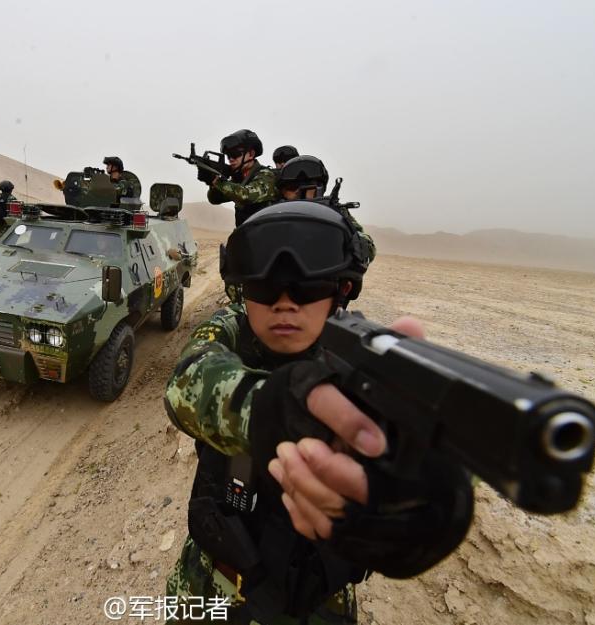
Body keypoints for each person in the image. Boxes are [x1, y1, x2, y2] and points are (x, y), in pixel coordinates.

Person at [164, 201, 473, 624]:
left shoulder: (360, 357)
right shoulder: (230, 328)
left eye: (308, 286)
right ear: (243, 290)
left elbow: (423, 438)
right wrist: (275, 409)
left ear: (341, 289)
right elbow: (186, 382)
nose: (285, 302)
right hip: (210, 587)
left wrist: (423, 494)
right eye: (265, 286)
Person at [276, 155, 375, 265]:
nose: (298, 192)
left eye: (309, 187)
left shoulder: (334, 213)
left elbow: (366, 244)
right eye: (291, 188)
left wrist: (357, 243)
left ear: (320, 188)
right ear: (282, 191)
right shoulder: (274, 213)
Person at [202, 129, 278, 227]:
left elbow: (246, 196)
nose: (231, 159)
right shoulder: (238, 178)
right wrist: (212, 181)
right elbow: (214, 199)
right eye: (228, 156)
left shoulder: (266, 175)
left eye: (235, 154)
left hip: (265, 232)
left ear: (251, 154)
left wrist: (218, 182)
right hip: (245, 232)